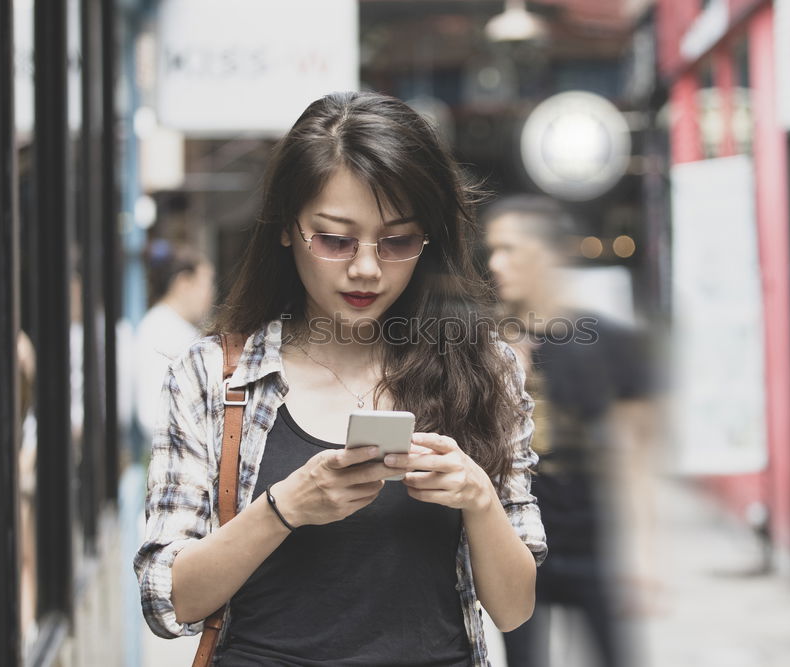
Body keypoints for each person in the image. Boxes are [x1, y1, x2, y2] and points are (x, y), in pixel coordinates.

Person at [134, 92, 547, 666]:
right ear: (285, 228)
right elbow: (167, 602)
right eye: (335, 239)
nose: (366, 268)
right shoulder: (212, 377)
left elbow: (513, 608)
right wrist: (283, 509)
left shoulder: (483, 371)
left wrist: (479, 498)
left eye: (398, 240)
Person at [483, 195, 657, 667]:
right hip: (515, 541)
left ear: (547, 255)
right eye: (491, 251)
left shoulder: (605, 339)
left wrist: (642, 554)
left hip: (588, 540)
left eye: (509, 249)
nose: (495, 264)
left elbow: (633, 454)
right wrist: (505, 382)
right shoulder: (485, 345)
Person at [135, 240, 216, 440]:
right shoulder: (160, 329)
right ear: (183, 283)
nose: (212, 295)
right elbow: (153, 414)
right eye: (207, 284)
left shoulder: (170, 327)